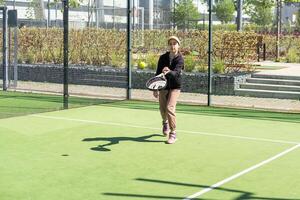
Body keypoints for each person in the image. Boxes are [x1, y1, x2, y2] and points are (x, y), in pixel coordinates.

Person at [153, 36, 184, 144]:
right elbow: (157, 73)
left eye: (174, 43)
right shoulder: (162, 58)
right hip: (163, 86)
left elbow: (176, 73)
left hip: (175, 86)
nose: (172, 46)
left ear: (178, 46)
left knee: (170, 108)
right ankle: (164, 122)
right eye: (170, 43)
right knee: (162, 110)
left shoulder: (180, 59)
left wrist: (169, 71)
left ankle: (173, 133)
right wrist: (155, 88)